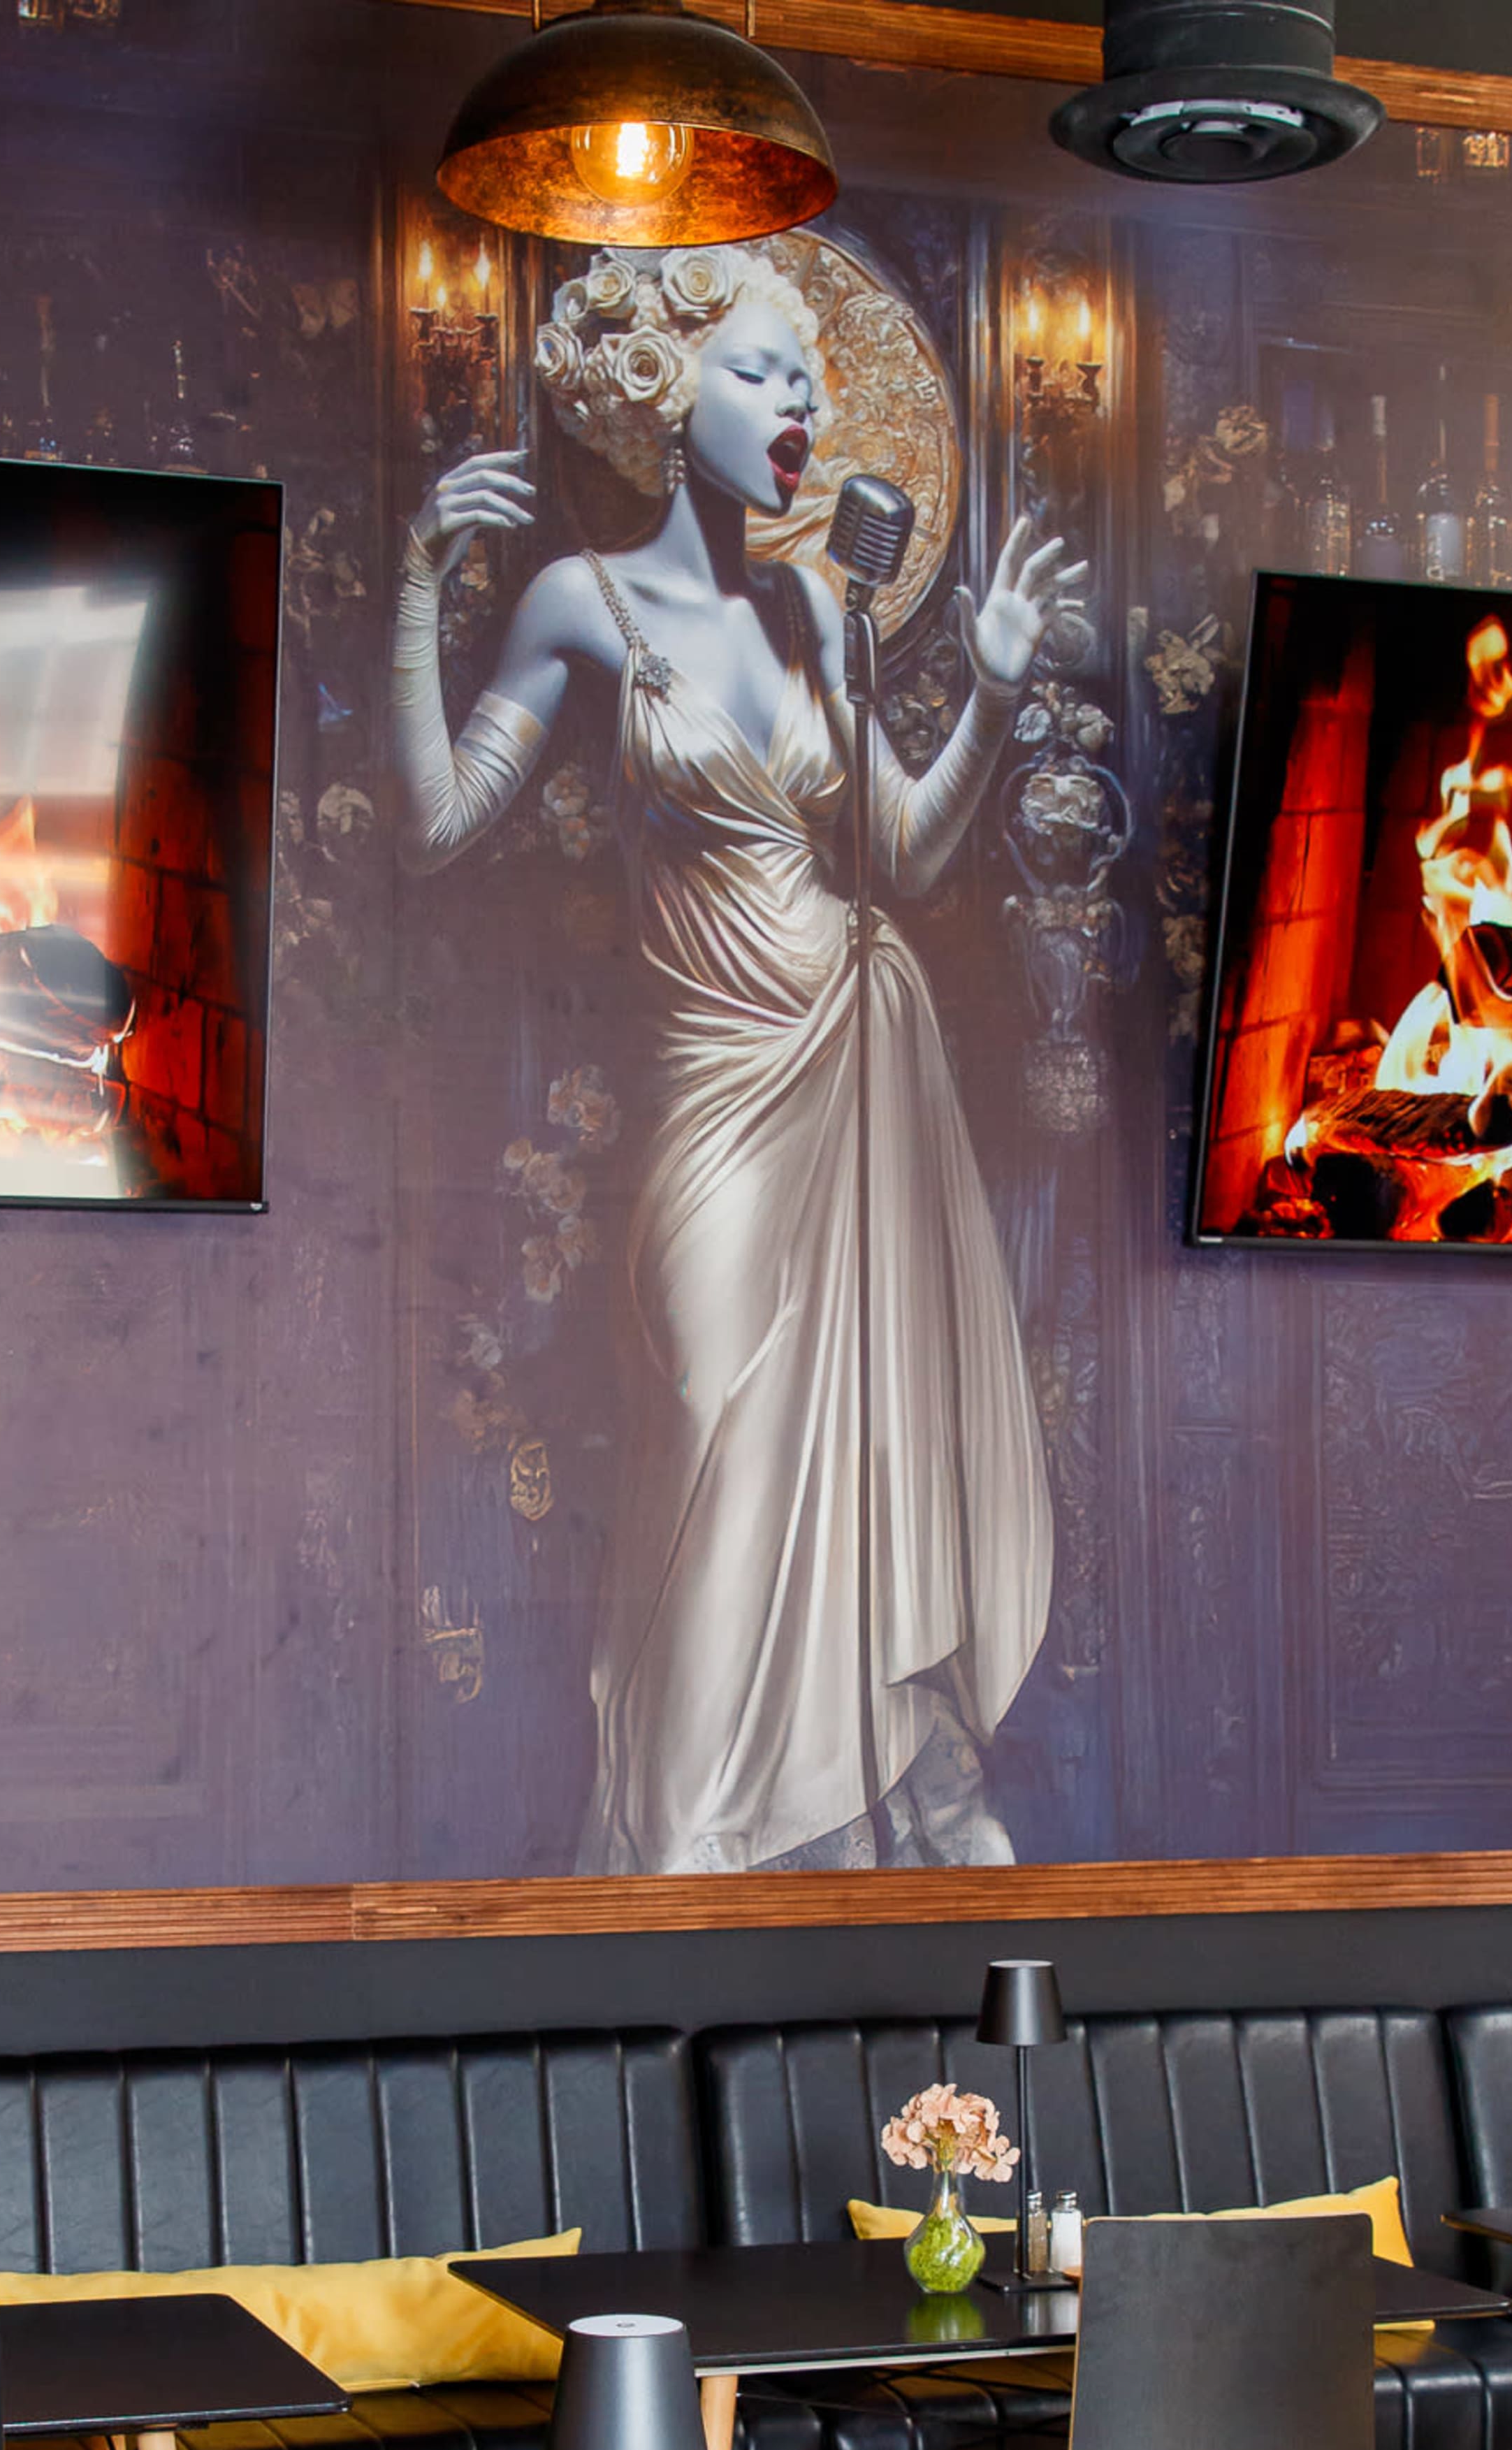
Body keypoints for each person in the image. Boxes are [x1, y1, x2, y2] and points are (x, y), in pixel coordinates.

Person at [393, 242, 1075, 1873]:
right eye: (769, 371)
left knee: (866, 1458)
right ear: (662, 389)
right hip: (714, 1108)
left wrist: (979, 693)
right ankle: (683, 1864)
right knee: (714, 1429)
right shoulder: (585, 600)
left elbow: (899, 854)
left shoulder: (825, 605)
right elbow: (430, 828)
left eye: (815, 383)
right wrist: (421, 581)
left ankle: (884, 1812)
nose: (808, 404)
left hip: (864, 1074)